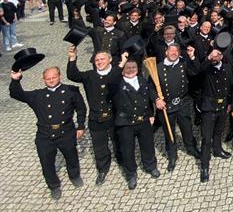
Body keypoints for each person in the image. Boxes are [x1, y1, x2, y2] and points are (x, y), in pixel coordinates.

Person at [9, 66, 87, 199]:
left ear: (59, 76)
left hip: (66, 131)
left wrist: (80, 126)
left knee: (71, 156)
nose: (51, 80)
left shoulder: (71, 91)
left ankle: (74, 176)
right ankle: (53, 185)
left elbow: (81, 108)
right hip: (45, 135)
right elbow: (17, 94)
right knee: (46, 162)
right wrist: (16, 80)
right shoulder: (37, 95)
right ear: (43, 79)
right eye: (48, 78)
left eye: (54, 77)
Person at [67, 47, 127, 184]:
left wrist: (122, 64)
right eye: (97, 60)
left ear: (110, 59)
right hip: (96, 117)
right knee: (99, 146)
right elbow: (72, 75)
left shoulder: (117, 73)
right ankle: (102, 169)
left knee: (118, 141)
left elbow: (113, 78)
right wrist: (72, 58)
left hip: (114, 115)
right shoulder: (89, 75)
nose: (99, 62)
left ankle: (123, 162)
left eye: (102, 59)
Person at [111, 59, 160, 190]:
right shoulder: (117, 84)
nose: (131, 69)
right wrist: (121, 62)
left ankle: (150, 166)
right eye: (128, 67)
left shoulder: (142, 81)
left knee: (148, 145)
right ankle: (131, 174)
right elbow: (111, 77)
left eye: (134, 67)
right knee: (127, 150)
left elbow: (147, 97)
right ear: (122, 70)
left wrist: (151, 112)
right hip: (126, 122)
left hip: (143, 120)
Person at [152, 44, 200, 172]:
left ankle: (191, 148)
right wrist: (156, 99)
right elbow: (150, 87)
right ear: (166, 52)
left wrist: (192, 57)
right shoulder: (158, 68)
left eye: (176, 51)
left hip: (182, 103)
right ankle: (172, 155)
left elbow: (196, 72)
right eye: (171, 50)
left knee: (187, 127)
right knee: (169, 131)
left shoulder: (184, 64)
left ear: (179, 53)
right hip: (166, 106)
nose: (173, 53)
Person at [197, 48, 233, 182]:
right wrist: (208, 58)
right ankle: (204, 165)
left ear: (221, 56)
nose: (214, 57)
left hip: (223, 105)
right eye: (212, 54)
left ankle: (217, 150)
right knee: (206, 138)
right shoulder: (206, 68)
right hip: (208, 106)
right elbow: (197, 71)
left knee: (218, 131)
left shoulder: (227, 68)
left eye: (217, 54)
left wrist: (229, 103)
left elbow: (230, 86)